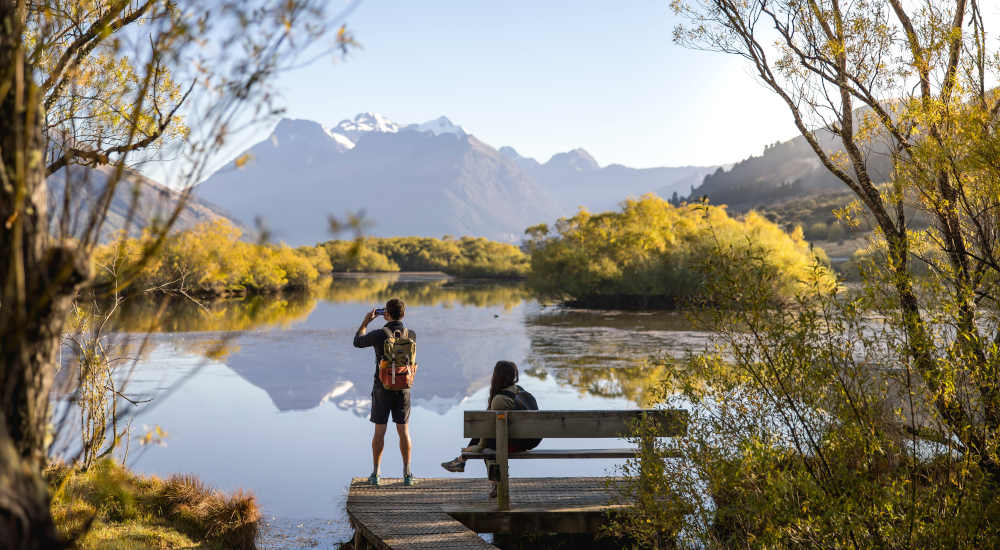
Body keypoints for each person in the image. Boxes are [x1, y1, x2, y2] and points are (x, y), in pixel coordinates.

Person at [440, 360, 538, 498]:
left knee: (488, 447)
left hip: (518, 443)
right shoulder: (520, 390)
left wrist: (472, 450)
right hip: (532, 439)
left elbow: (485, 438)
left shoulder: (500, 399)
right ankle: (461, 462)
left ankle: (495, 482)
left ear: (497, 377)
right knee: (487, 433)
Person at [353, 298, 416, 486]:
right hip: (403, 387)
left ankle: (376, 474)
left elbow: (357, 342)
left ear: (386, 314)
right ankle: (407, 474)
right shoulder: (411, 334)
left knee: (379, 431)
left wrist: (365, 322)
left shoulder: (379, 334)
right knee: (404, 432)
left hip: (382, 387)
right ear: (403, 314)